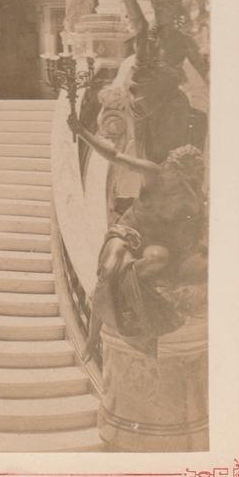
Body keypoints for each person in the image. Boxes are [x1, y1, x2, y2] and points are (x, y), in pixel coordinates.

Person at [70, 118, 208, 359]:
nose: (165, 167)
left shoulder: (189, 201)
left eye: (173, 168)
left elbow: (192, 235)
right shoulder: (152, 173)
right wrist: (82, 132)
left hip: (154, 243)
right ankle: (93, 337)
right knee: (108, 270)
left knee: (157, 259)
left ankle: (122, 289)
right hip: (125, 232)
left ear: (184, 175)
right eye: (168, 161)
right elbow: (115, 155)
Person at [123, 0, 208, 163]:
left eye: (167, 7)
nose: (162, 11)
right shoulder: (143, 31)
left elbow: (205, 72)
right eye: (158, 6)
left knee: (170, 161)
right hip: (142, 104)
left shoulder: (184, 41)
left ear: (176, 10)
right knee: (145, 160)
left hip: (170, 105)